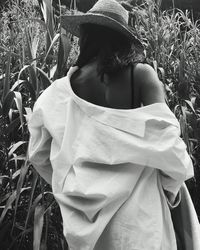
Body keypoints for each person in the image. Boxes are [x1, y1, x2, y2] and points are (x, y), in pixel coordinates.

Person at [28, 0, 195, 249]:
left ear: (86, 36)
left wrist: (70, 184)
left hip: (86, 225)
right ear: (123, 38)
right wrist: (170, 190)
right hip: (140, 216)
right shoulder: (141, 75)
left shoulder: (60, 91)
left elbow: (39, 153)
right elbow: (169, 147)